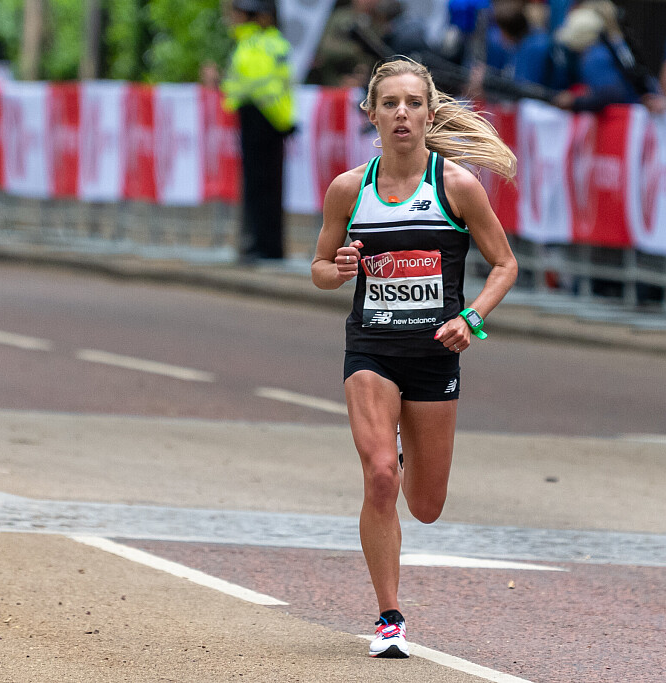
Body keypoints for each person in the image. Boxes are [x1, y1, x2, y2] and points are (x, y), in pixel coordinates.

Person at [310, 57, 517, 658]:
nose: (402, 113)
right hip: (371, 349)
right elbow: (319, 268)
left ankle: (401, 451)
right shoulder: (349, 189)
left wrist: (471, 318)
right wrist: (337, 269)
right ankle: (389, 618)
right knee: (380, 477)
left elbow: (505, 264)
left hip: (433, 355)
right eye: (390, 104)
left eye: (413, 103)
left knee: (425, 505)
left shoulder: (456, 187)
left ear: (429, 113)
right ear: (371, 114)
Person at [221, 0, 295, 264]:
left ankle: (263, 247)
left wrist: (279, 120)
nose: (231, 19)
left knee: (260, 187)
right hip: (271, 120)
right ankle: (267, 247)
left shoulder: (254, 43)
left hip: (261, 119)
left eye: (236, 13)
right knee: (268, 187)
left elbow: (259, 87)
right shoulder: (271, 42)